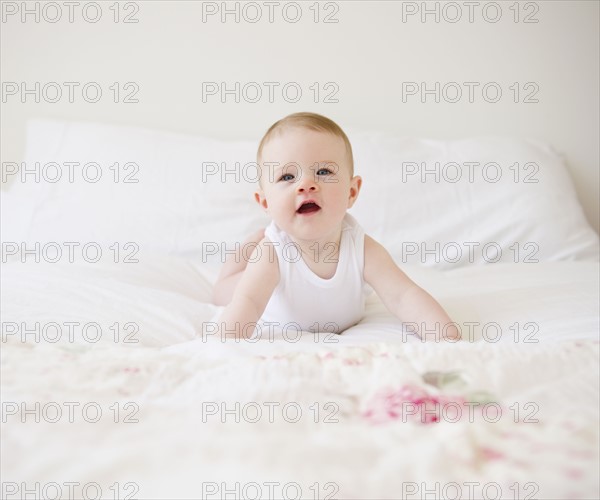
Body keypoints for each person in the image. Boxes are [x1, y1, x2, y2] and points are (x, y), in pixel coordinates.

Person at [212, 112, 460, 341]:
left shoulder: (362, 248)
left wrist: (448, 338)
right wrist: (219, 348)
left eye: (323, 171)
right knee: (226, 292)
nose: (306, 184)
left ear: (351, 192)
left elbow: (403, 296)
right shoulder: (270, 252)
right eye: (287, 177)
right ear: (265, 202)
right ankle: (243, 252)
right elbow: (249, 303)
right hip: (254, 280)